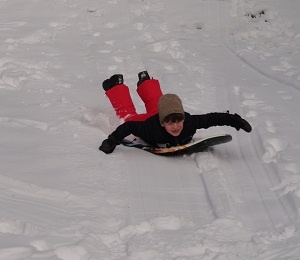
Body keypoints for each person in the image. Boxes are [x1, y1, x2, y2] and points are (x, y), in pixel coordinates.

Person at [99, 71, 252, 154]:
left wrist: (234, 120)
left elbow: (212, 118)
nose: (176, 126)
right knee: (128, 117)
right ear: (163, 122)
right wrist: (112, 141)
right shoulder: (150, 129)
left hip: (161, 112)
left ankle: (145, 82)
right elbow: (129, 127)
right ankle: (115, 86)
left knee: (159, 103)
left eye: (178, 121)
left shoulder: (189, 122)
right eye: (171, 122)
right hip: (149, 119)